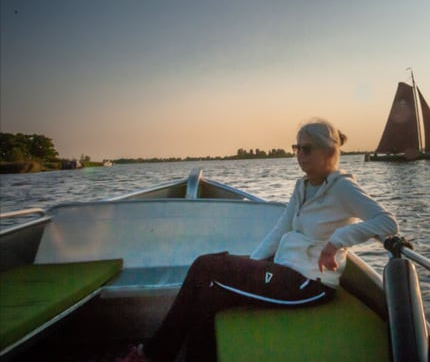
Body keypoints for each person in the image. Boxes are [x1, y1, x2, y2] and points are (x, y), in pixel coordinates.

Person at [119, 119, 399, 362]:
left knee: (205, 265)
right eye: (297, 148)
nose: (300, 155)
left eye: (307, 149)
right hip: (285, 269)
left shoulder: (343, 188)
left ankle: (152, 355)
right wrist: (249, 267)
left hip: (310, 284)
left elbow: (386, 222)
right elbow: (280, 229)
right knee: (207, 294)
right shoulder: (303, 186)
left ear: (329, 152)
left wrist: (337, 241)